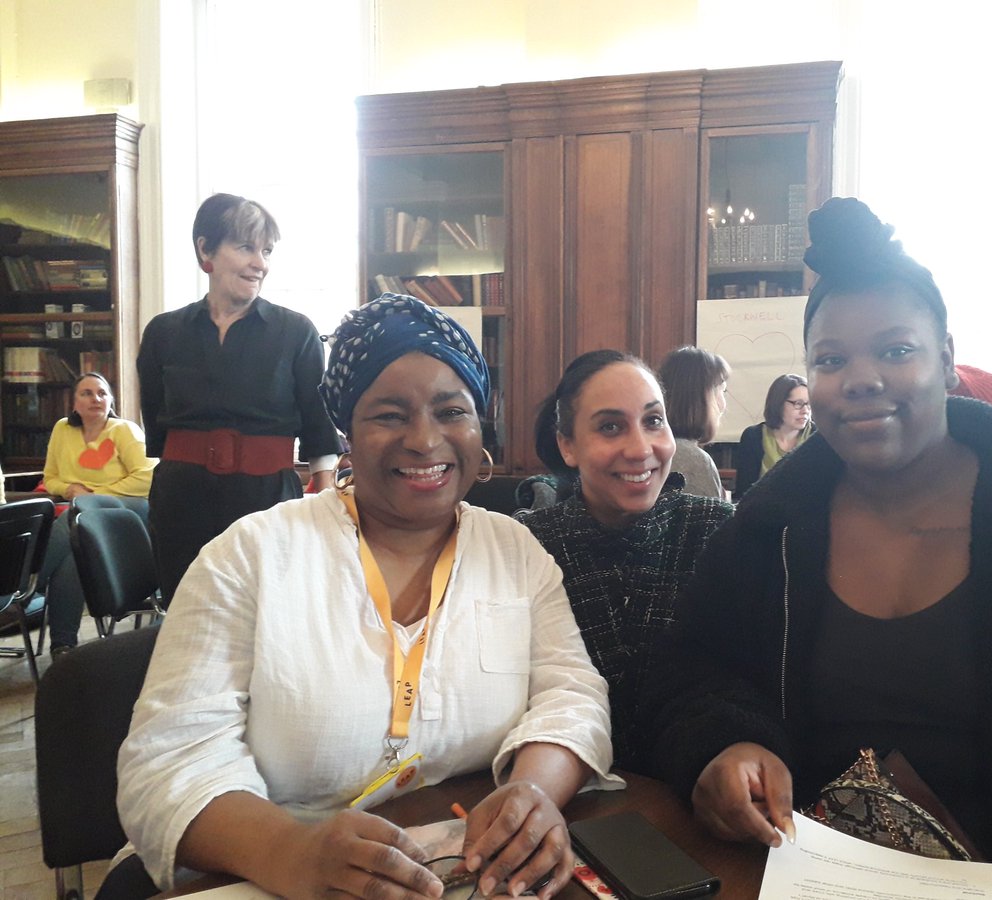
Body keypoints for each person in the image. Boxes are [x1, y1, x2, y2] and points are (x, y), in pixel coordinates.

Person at [641, 198, 992, 899]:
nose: (862, 377)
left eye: (896, 350)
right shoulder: (767, 531)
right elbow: (687, 668)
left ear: (946, 359)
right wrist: (724, 743)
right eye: (831, 358)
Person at [116, 295, 618, 899]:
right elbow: (166, 765)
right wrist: (287, 850)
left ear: (480, 427)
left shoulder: (516, 551)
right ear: (347, 434)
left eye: (451, 411)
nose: (424, 440)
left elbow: (574, 695)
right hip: (265, 874)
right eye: (388, 415)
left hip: (460, 867)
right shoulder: (248, 557)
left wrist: (534, 791)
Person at [515, 350, 732, 774]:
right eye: (610, 427)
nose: (640, 448)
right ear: (567, 445)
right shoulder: (529, 544)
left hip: (695, 796)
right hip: (557, 794)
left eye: (653, 421)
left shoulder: (717, 533)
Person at [136, 193, 341, 602]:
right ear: (205, 249)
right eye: (245, 247)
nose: (260, 263)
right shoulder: (162, 332)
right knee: (187, 616)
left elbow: (319, 428)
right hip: (181, 502)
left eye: (265, 251)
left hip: (268, 501)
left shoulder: (296, 331)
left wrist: (329, 510)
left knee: (267, 619)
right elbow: (157, 426)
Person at [38, 372, 155, 655]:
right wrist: (70, 489)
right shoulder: (62, 429)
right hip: (82, 513)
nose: (96, 399)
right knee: (73, 554)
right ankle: (63, 646)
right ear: (74, 401)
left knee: (76, 518)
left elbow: (149, 476)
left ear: (111, 399)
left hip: (127, 511)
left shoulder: (123, 430)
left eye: (102, 393)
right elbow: (50, 477)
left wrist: (96, 496)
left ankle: (30, 583)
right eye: (87, 393)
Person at [658, 346, 730, 499]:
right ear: (699, 398)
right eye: (721, 391)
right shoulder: (695, 461)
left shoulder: (655, 448)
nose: (723, 404)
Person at [732, 373, 814, 501]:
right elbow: (744, 492)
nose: (805, 411)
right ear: (778, 404)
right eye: (798, 403)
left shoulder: (817, 435)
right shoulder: (753, 436)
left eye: (809, 404)